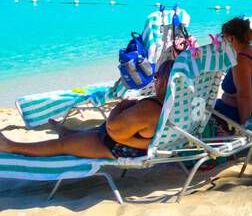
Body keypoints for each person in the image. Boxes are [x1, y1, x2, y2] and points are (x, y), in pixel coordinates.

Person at [0, 60, 174, 159]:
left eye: (157, 76)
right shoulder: (182, 104)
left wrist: (120, 106)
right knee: (84, 133)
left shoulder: (150, 109)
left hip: (119, 147)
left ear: (164, 81)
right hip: (157, 145)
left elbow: (113, 129)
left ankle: (11, 146)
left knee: (61, 146)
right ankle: (67, 131)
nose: (154, 79)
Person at [213, 17, 252, 127]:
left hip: (232, 115)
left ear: (231, 38)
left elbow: (245, 96)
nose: (222, 40)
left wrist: (244, 127)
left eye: (223, 36)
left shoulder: (241, 61)